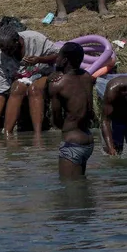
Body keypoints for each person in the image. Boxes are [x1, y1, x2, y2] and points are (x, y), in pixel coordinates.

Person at [0, 22, 57, 136]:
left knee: (34, 89)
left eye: (11, 51)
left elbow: (58, 56)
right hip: (22, 79)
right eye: (5, 52)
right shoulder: (1, 57)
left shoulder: (35, 39)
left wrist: (39, 59)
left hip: (44, 74)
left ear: (19, 41)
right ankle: (7, 134)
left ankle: (38, 135)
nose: (8, 55)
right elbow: (0, 91)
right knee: (16, 88)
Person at [49, 41, 96, 178]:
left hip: (72, 143)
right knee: (82, 191)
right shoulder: (87, 77)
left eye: (58, 56)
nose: (56, 59)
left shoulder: (57, 84)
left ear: (64, 60)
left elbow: (56, 120)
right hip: (88, 142)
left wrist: (67, 127)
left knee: (69, 192)